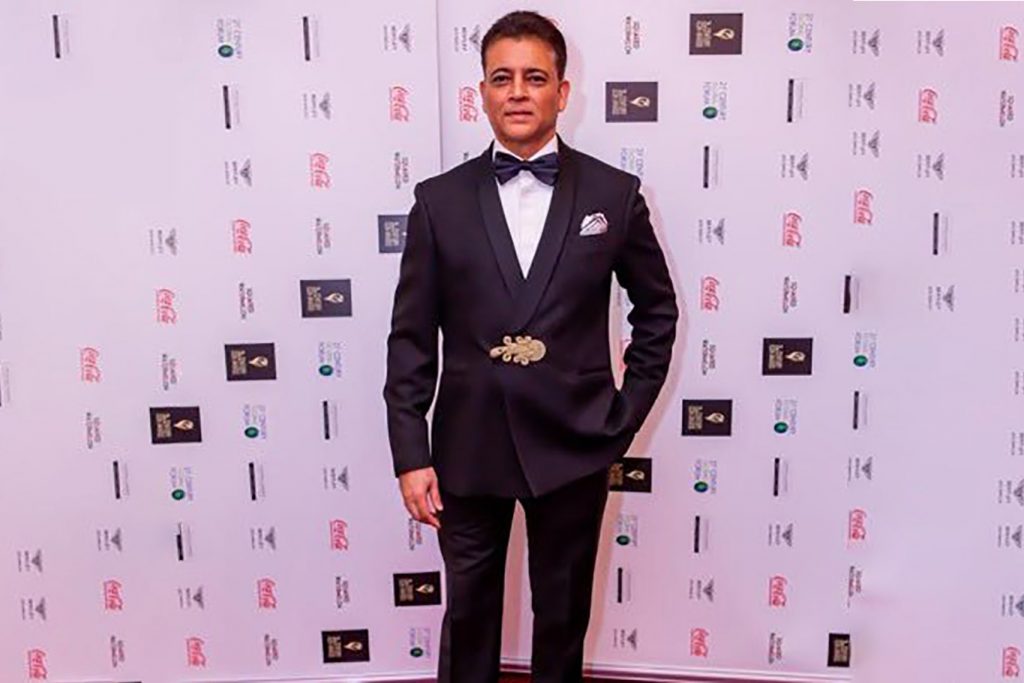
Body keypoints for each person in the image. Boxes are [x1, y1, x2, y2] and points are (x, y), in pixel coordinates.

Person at [383, 10, 677, 682]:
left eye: (535, 78)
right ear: (482, 92)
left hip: (574, 443)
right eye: (502, 78)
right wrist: (410, 453)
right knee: (468, 620)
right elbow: (410, 338)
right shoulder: (438, 202)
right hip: (466, 446)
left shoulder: (614, 194)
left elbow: (657, 311)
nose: (518, 92)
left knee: (563, 617)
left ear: (562, 92)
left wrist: (620, 417)